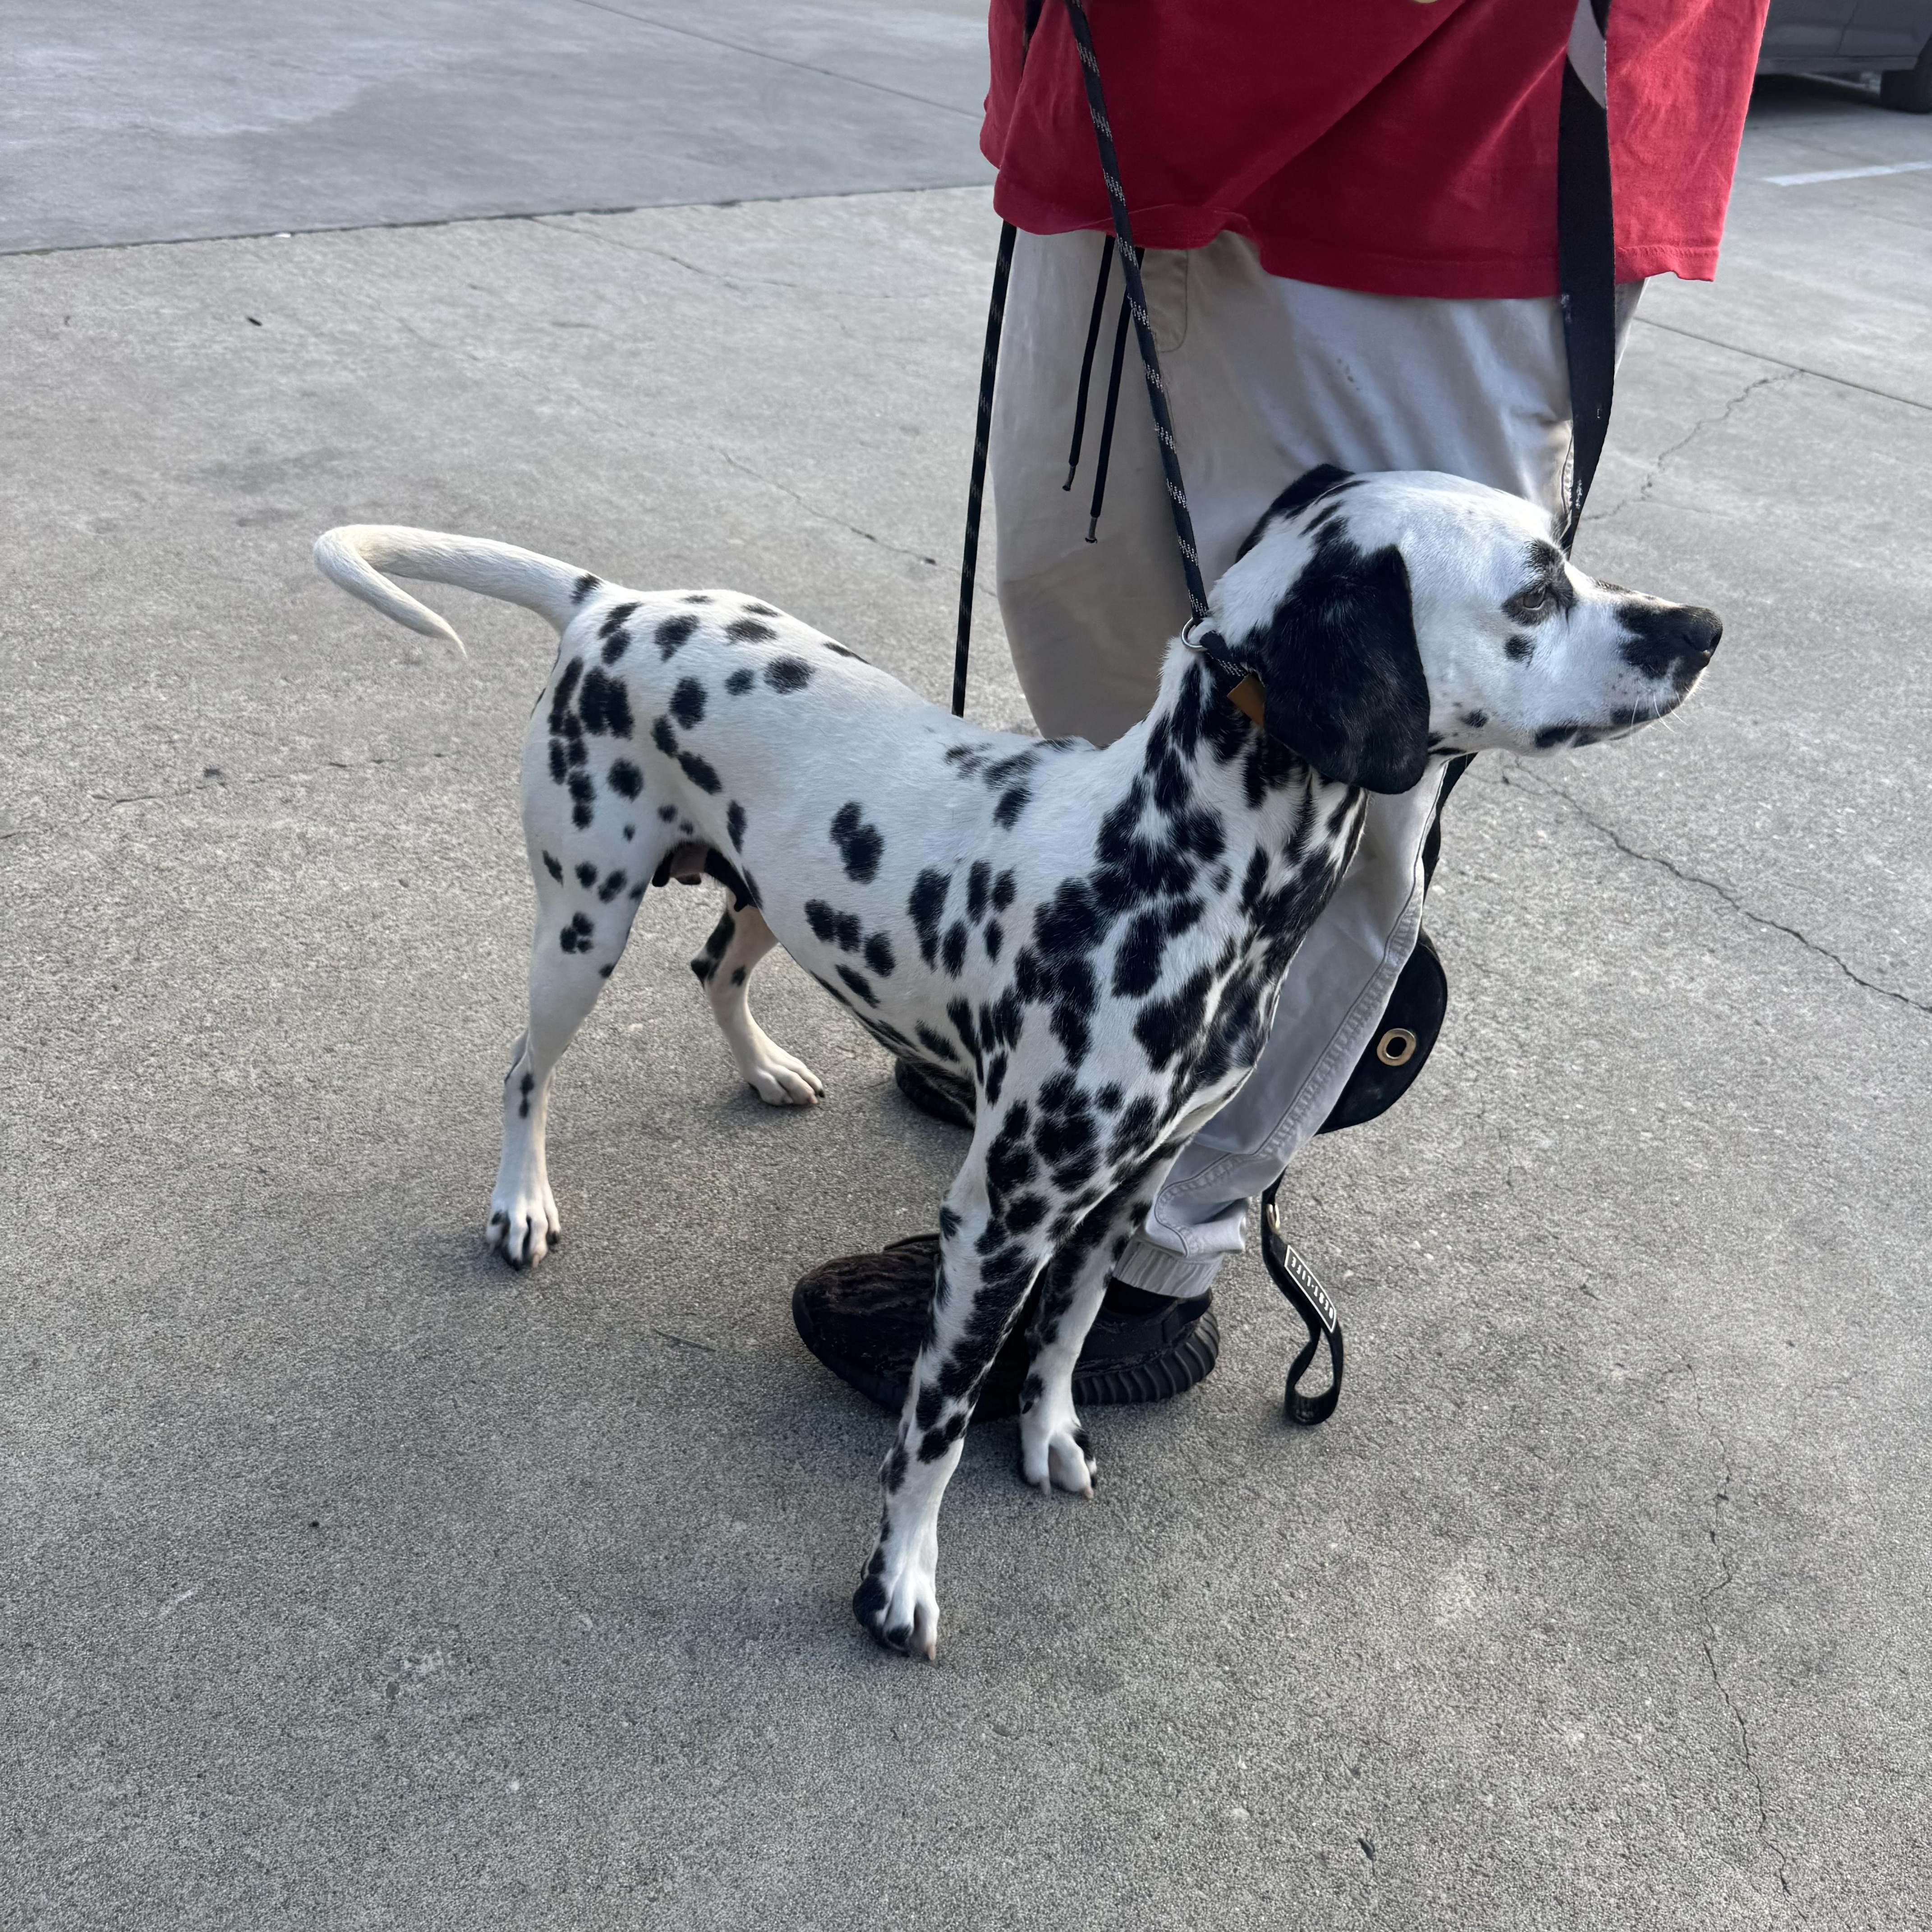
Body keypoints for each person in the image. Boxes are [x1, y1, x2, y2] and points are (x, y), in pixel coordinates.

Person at [792, 0, 1768, 1409]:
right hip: (1118, 99)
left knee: (1327, 750)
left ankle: (1143, 1248)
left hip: (1443, 122)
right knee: (1093, 637)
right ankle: (1069, 1049)